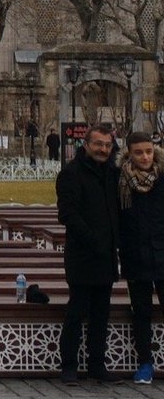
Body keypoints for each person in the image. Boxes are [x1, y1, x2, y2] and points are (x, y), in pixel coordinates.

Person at [56, 123, 119, 384]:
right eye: (98, 144)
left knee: (101, 313)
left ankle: (97, 365)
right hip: (82, 255)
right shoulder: (71, 174)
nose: (103, 149)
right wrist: (93, 240)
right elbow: (68, 215)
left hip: (106, 255)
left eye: (107, 145)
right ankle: (69, 365)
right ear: (87, 145)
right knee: (77, 311)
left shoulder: (113, 174)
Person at [118, 131, 164, 384]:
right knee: (141, 312)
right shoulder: (122, 181)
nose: (145, 157)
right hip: (135, 256)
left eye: (148, 151)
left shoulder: (162, 178)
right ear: (130, 153)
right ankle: (145, 362)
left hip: (161, 252)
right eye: (139, 152)